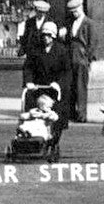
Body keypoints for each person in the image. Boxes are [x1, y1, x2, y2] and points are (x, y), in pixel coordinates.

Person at [22, 21, 72, 161]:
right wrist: (29, 82)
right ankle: (33, 139)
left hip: (55, 91)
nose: (46, 38)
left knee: (56, 117)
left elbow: (67, 72)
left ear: (54, 36)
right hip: (39, 88)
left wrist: (59, 84)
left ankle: (53, 142)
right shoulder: (35, 50)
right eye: (44, 35)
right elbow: (28, 67)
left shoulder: (62, 51)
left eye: (49, 35)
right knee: (33, 113)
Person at [62, 0, 94, 123]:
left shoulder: (89, 23)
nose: (74, 14)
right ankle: (71, 113)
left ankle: (82, 114)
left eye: (76, 11)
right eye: (72, 12)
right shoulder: (71, 23)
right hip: (71, 58)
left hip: (81, 59)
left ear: (81, 8)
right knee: (70, 86)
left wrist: (87, 59)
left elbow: (92, 44)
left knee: (81, 88)